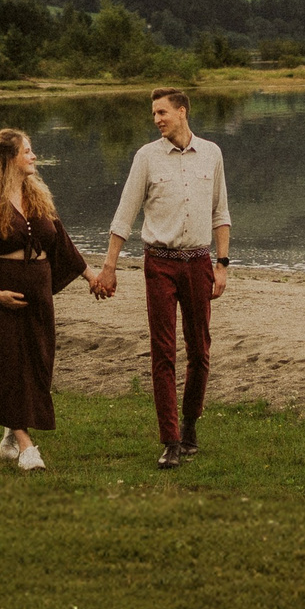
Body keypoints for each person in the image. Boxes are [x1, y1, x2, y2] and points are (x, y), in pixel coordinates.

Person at [89, 88, 230, 469]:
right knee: (162, 352)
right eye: (154, 113)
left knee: (200, 350)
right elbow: (125, 214)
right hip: (160, 264)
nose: (157, 119)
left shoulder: (212, 154)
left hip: (199, 263)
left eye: (163, 112)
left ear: (183, 111)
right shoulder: (146, 157)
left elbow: (221, 212)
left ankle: (190, 425)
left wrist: (223, 264)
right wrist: (109, 267)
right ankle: (170, 440)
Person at [0, 127, 90, 471]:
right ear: (9, 159)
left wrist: (93, 277)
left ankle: (11, 429)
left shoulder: (36, 196)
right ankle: (26, 446)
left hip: (38, 295)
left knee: (36, 366)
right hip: (1, 298)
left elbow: (61, 243)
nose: (33, 157)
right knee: (6, 367)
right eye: (28, 151)